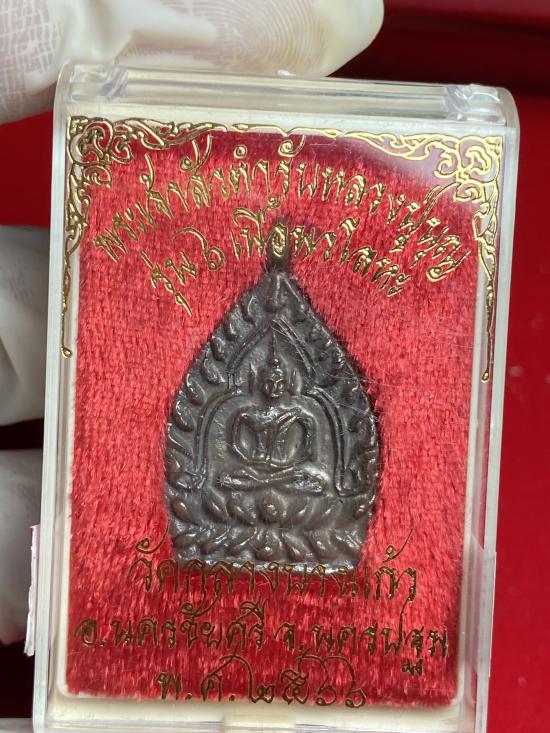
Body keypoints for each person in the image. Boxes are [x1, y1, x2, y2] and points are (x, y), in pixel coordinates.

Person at [0, 0, 383, 644]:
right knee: (231, 481)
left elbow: (328, 470)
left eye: (282, 382)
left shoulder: (302, 411)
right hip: (234, 498)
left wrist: (301, 480)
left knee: (311, 482)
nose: (273, 387)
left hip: (296, 504)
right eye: (269, 379)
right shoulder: (245, 408)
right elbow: (211, 464)